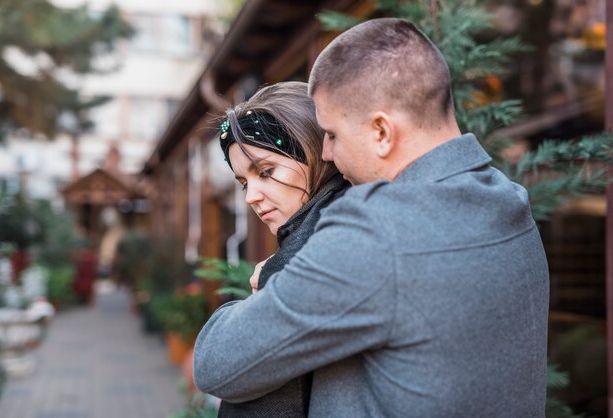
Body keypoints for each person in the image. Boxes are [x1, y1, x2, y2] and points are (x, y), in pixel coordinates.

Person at [194, 18, 550, 417]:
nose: (326, 153)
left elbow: (217, 366)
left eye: (331, 134)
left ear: (381, 131)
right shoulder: (508, 202)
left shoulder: (378, 233)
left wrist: (265, 290)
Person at [215, 81, 349, 417]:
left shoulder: (319, 244)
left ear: (312, 150)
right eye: (244, 182)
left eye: (265, 171)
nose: (251, 197)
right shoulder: (320, 228)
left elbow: (225, 370)